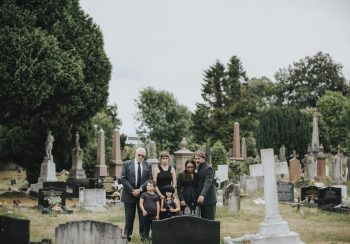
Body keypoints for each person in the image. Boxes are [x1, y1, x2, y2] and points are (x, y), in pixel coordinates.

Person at [121, 147, 152, 242]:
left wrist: (140, 189)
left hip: (142, 195)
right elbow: (123, 178)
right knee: (129, 216)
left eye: (143, 156)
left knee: (143, 216)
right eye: (139, 155)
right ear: (135, 153)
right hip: (129, 194)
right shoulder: (127, 164)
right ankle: (127, 235)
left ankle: (143, 235)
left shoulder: (148, 165)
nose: (141, 157)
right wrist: (132, 190)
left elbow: (149, 179)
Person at [194, 150, 217, 220]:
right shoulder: (200, 167)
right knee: (204, 222)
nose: (197, 160)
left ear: (203, 158)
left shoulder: (208, 168)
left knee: (210, 222)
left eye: (199, 158)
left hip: (209, 200)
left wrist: (202, 195)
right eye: (196, 159)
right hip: (202, 201)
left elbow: (208, 183)